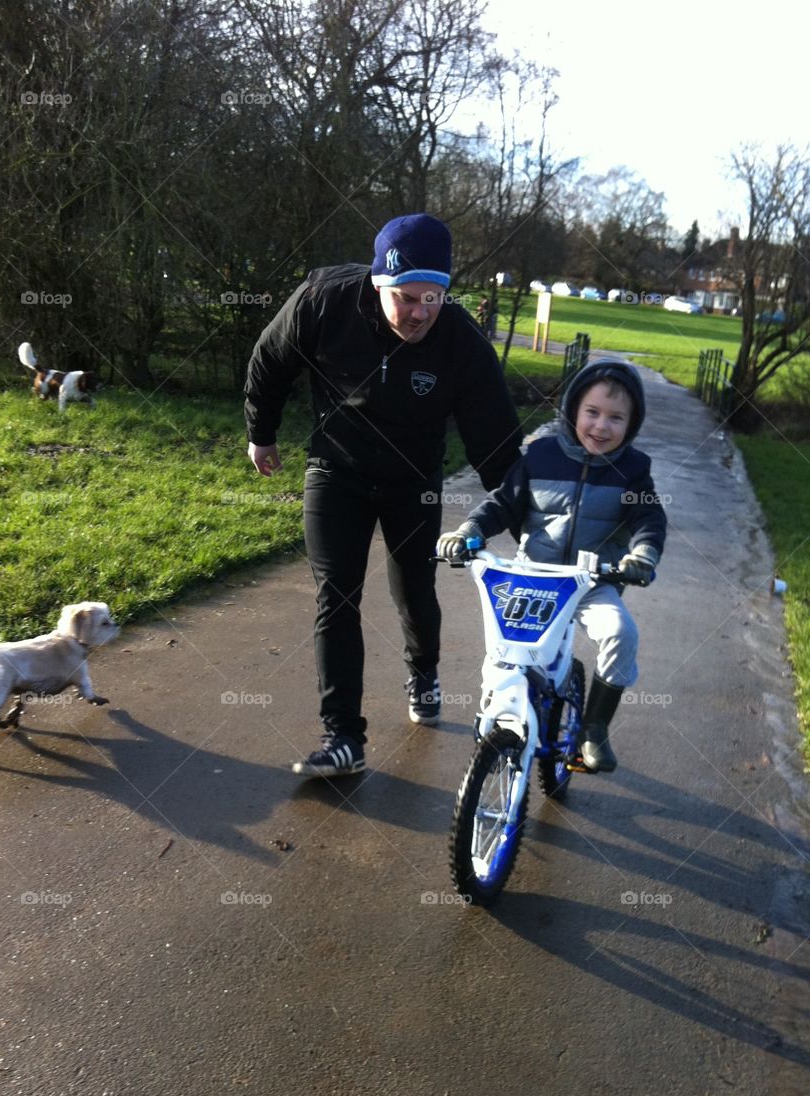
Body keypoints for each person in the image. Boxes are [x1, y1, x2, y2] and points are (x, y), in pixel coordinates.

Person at [245, 213, 521, 777]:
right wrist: (261, 433)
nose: (419, 312)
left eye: (433, 297)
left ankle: (423, 670)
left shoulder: (460, 342)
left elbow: (495, 439)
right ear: (377, 283)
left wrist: (529, 519)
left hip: (412, 483)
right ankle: (344, 737)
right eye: (406, 297)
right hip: (336, 469)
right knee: (336, 596)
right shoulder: (324, 300)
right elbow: (269, 360)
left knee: (413, 591)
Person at [436, 360, 666, 772]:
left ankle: (593, 728)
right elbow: (503, 504)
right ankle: (497, 704)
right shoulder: (540, 456)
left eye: (616, 418)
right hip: (533, 576)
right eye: (592, 413)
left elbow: (649, 519)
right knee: (509, 652)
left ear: (630, 425)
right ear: (573, 410)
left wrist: (642, 556)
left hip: (593, 580)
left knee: (621, 632)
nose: (601, 426)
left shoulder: (633, 471)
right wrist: (470, 531)